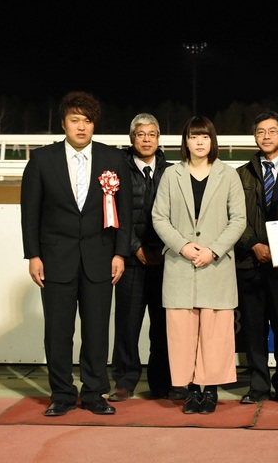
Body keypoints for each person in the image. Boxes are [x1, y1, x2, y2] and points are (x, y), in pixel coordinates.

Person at [20, 90, 132, 416]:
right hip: (55, 260)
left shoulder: (114, 160)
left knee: (96, 331)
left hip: (101, 259)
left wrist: (120, 254)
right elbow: (30, 213)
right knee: (58, 332)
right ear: (63, 123)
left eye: (87, 120)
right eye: (75, 120)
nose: (81, 127)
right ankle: (62, 395)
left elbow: (124, 212)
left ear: (94, 124)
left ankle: (95, 393)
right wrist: (33, 255)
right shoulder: (42, 160)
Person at [152, 115, 246, 415]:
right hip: (180, 264)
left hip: (215, 266)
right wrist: (182, 245)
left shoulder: (228, 175)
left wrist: (213, 251)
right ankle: (191, 390)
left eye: (204, 136)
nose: (200, 142)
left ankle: (211, 390)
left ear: (212, 140)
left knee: (215, 334)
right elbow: (159, 217)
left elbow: (238, 220)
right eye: (193, 136)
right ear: (186, 142)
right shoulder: (171, 175)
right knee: (183, 333)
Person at [235, 111, 278, 404]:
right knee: (254, 328)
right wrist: (254, 244)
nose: (267, 136)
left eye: (272, 131)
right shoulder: (241, 174)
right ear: (255, 137)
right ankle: (258, 384)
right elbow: (234, 217)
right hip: (250, 261)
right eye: (261, 132)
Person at [108, 113, 173, 402]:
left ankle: (162, 382)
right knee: (127, 325)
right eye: (141, 134)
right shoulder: (116, 172)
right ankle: (124, 380)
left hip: (165, 261)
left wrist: (162, 248)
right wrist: (135, 247)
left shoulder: (172, 172)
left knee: (163, 326)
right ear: (132, 138)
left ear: (159, 138)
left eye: (152, 134)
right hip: (131, 260)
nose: (146, 140)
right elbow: (112, 214)